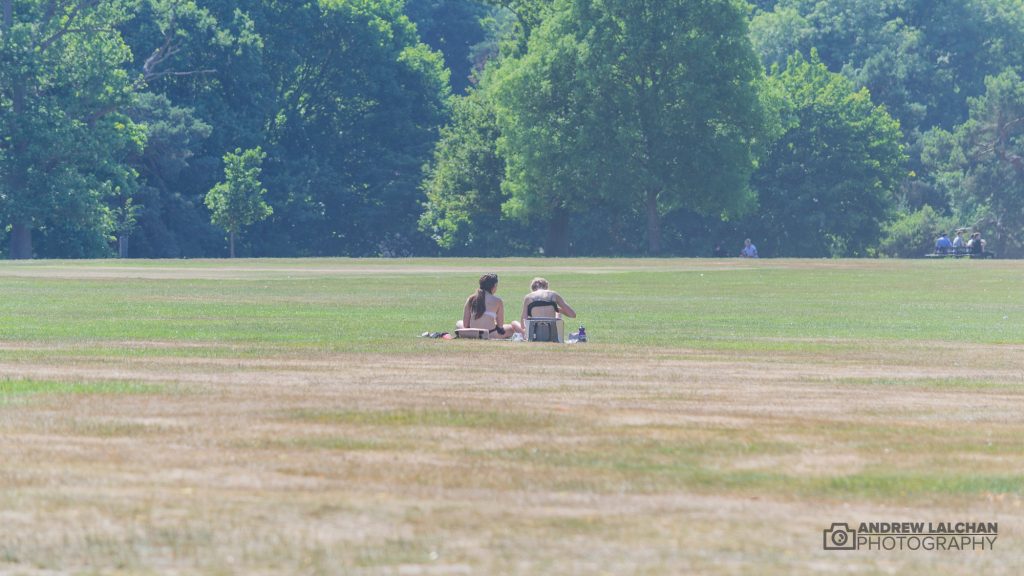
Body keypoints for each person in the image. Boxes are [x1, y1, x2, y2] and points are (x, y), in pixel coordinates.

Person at [456, 273, 522, 339]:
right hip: (489, 334)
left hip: (473, 333)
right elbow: (500, 326)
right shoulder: (498, 301)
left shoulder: (471, 298)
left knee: (459, 323)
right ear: (494, 285)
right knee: (511, 328)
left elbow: (465, 324)